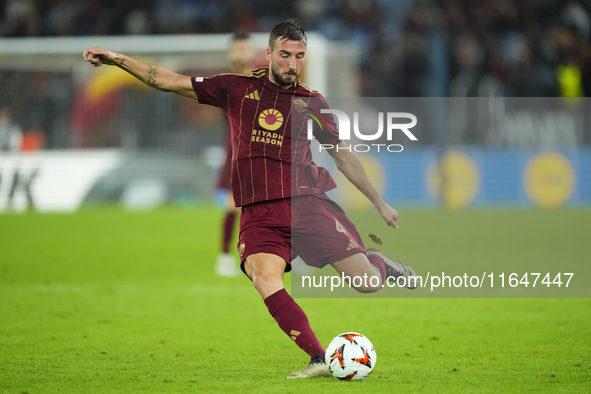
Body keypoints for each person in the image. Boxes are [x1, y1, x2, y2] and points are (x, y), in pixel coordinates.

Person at [83, 19, 417, 379]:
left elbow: (343, 155)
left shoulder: (311, 103)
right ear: (270, 53)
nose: (292, 64)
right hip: (259, 212)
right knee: (264, 277)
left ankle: (380, 262)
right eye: (285, 55)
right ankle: (318, 357)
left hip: (307, 204)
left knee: (366, 283)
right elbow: (166, 80)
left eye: (299, 57)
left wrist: (379, 202)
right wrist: (117, 59)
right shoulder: (236, 89)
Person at [215, 32, 256, 277]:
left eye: (245, 49)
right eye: (237, 49)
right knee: (233, 204)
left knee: (283, 202)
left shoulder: (266, 80)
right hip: (237, 150)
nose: (241, 53)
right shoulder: (223, 82)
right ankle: (224, 257)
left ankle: (293, 254)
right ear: (231, 54)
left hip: (267, 149)